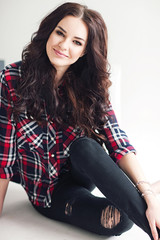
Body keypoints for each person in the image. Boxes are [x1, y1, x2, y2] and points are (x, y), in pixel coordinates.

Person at [0, 2, 160, 239]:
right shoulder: (13, 78)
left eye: (76, 42)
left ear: (85, 50)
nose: (63, 45)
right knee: (121, 220)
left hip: (82, 170)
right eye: (60, 33)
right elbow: (4, 157)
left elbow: (117, 140)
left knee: (86, 146)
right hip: (47, 194)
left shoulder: (91, 85)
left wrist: (148, 193)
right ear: (49, 31)